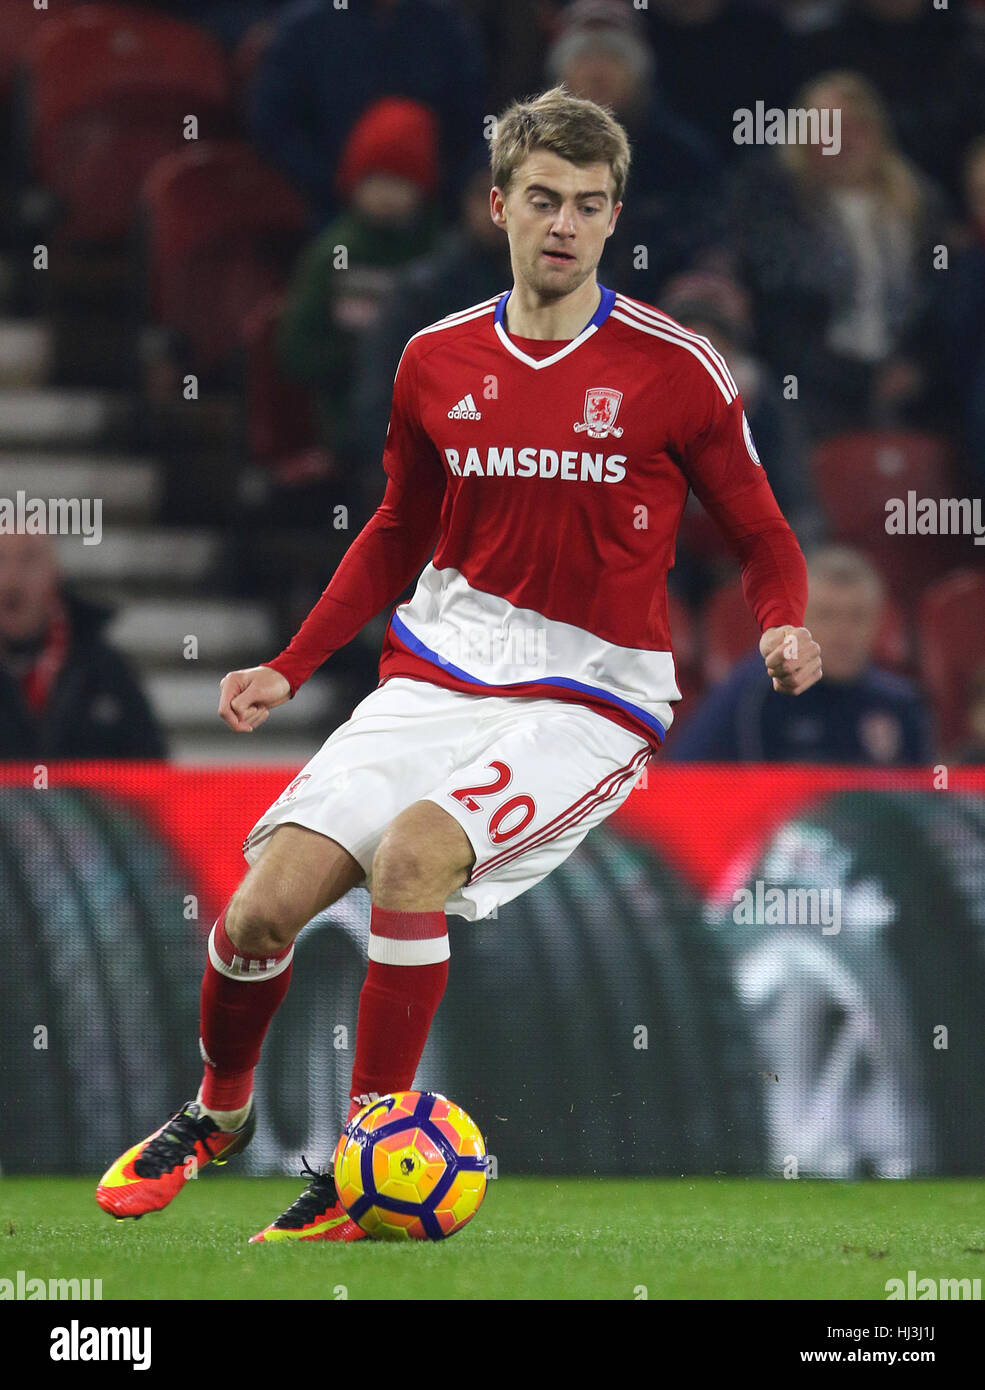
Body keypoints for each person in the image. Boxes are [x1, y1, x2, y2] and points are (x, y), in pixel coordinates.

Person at [96, 86, 820, 1242]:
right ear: (498, 207)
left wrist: (780, 619)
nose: (565, 224)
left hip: (589, 695)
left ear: (613, 217)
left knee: (415, 859)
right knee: (256, 915)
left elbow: (762, 529)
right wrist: (292, 663)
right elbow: (395, 529)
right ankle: (217, 1113)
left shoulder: (676, 367)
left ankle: (361, 1158)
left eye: (589, 205)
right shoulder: (434, 359)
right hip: (436, 675)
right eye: (544, 200)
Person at [727, 70, 948, 439]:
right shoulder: (776, 209)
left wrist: (918, 365)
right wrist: (859, 380)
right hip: (812, 385)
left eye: (856, 127)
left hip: (912, 379)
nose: (844, 142)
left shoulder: (921, 209)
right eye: (828, 129)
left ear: (878, 134)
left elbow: (940, 301)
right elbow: (781, 317)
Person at [276, 97, 443, 475]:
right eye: (374, 181)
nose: (385, 195)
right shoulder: (334, 253)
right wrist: (364, 359)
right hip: (347, 414)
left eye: (399, 181)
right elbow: (296, 348)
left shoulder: (437, 253)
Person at [665, 547, 932, 764]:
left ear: (878, 623)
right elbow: (686, 777)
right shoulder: (753, 696)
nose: (842, 632)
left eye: (856, 616)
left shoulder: (900, 704)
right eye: (826, 615)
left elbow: (924, 806)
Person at [0, 533, 167, 760]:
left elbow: (152, 766)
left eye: (28, 558)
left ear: (55, 572)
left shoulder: (105, 671)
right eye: (1, 558)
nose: (12, 577)